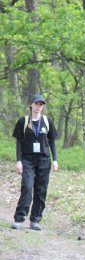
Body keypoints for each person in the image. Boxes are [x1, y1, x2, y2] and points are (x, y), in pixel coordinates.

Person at [11, 94, 58, 231]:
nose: (38, 106)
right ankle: (19, 219)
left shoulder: (47, 121)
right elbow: (19, 142)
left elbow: (52, 142)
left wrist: (55, 160)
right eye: (36, 104)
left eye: (41, 104)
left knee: (41, 189)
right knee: (27, 187)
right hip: (27, 159)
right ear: (31, 105)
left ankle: (35, 220)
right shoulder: (23, 121)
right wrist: (18, 161)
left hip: (44, 160)